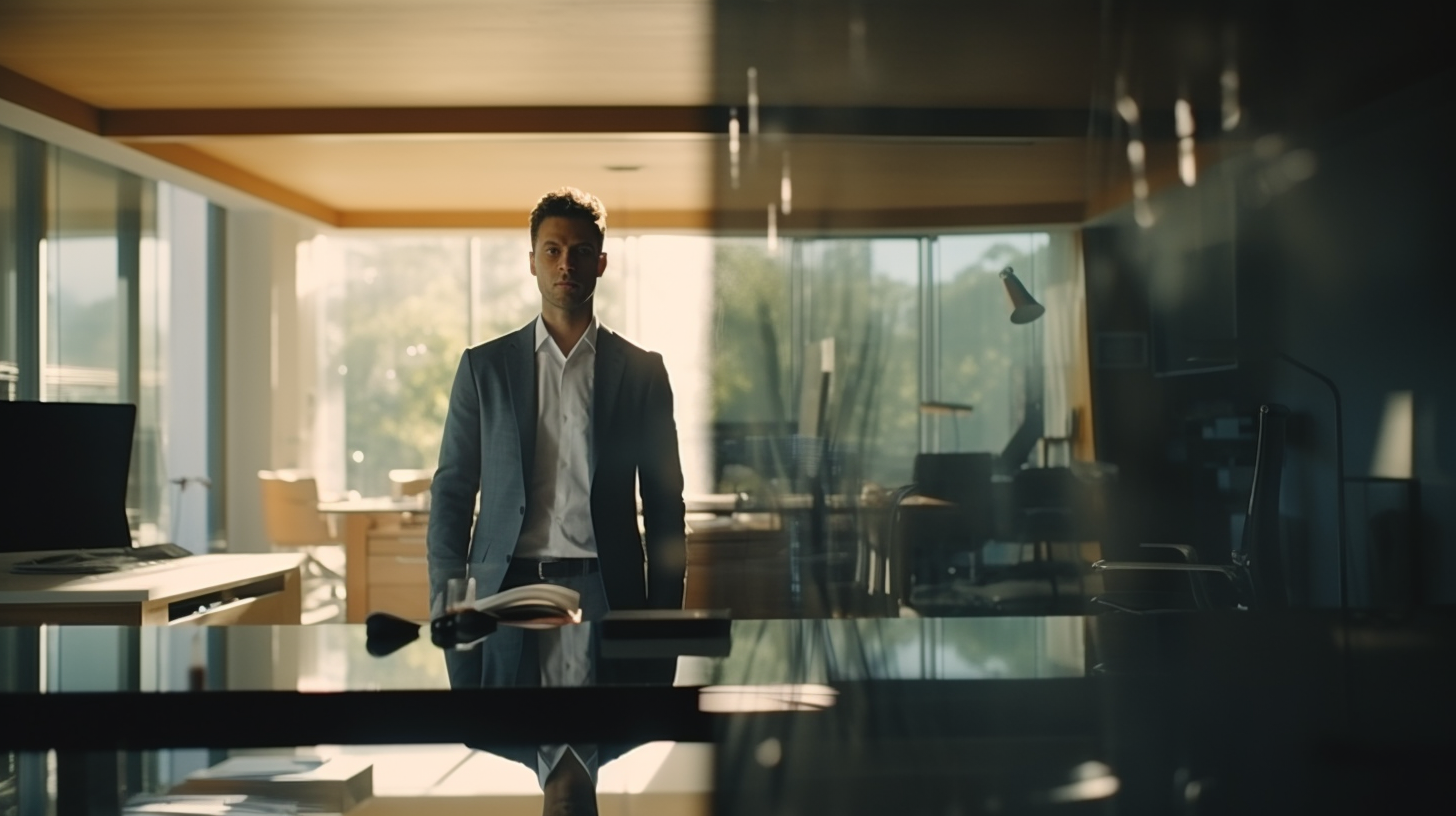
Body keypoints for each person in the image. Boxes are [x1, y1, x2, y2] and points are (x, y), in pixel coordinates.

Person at [426, 186, 686, 814]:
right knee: (548, 747)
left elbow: (667, 506)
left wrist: (662, 627)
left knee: (578, 753)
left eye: (579, 251)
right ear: (533, 261)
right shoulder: (484, 369)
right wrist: (450, 610)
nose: (565, 263)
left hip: (607, 595)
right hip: (507, 594)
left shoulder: (641, 371)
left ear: (601, 261)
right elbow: (453, 496)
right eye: (552, 250)